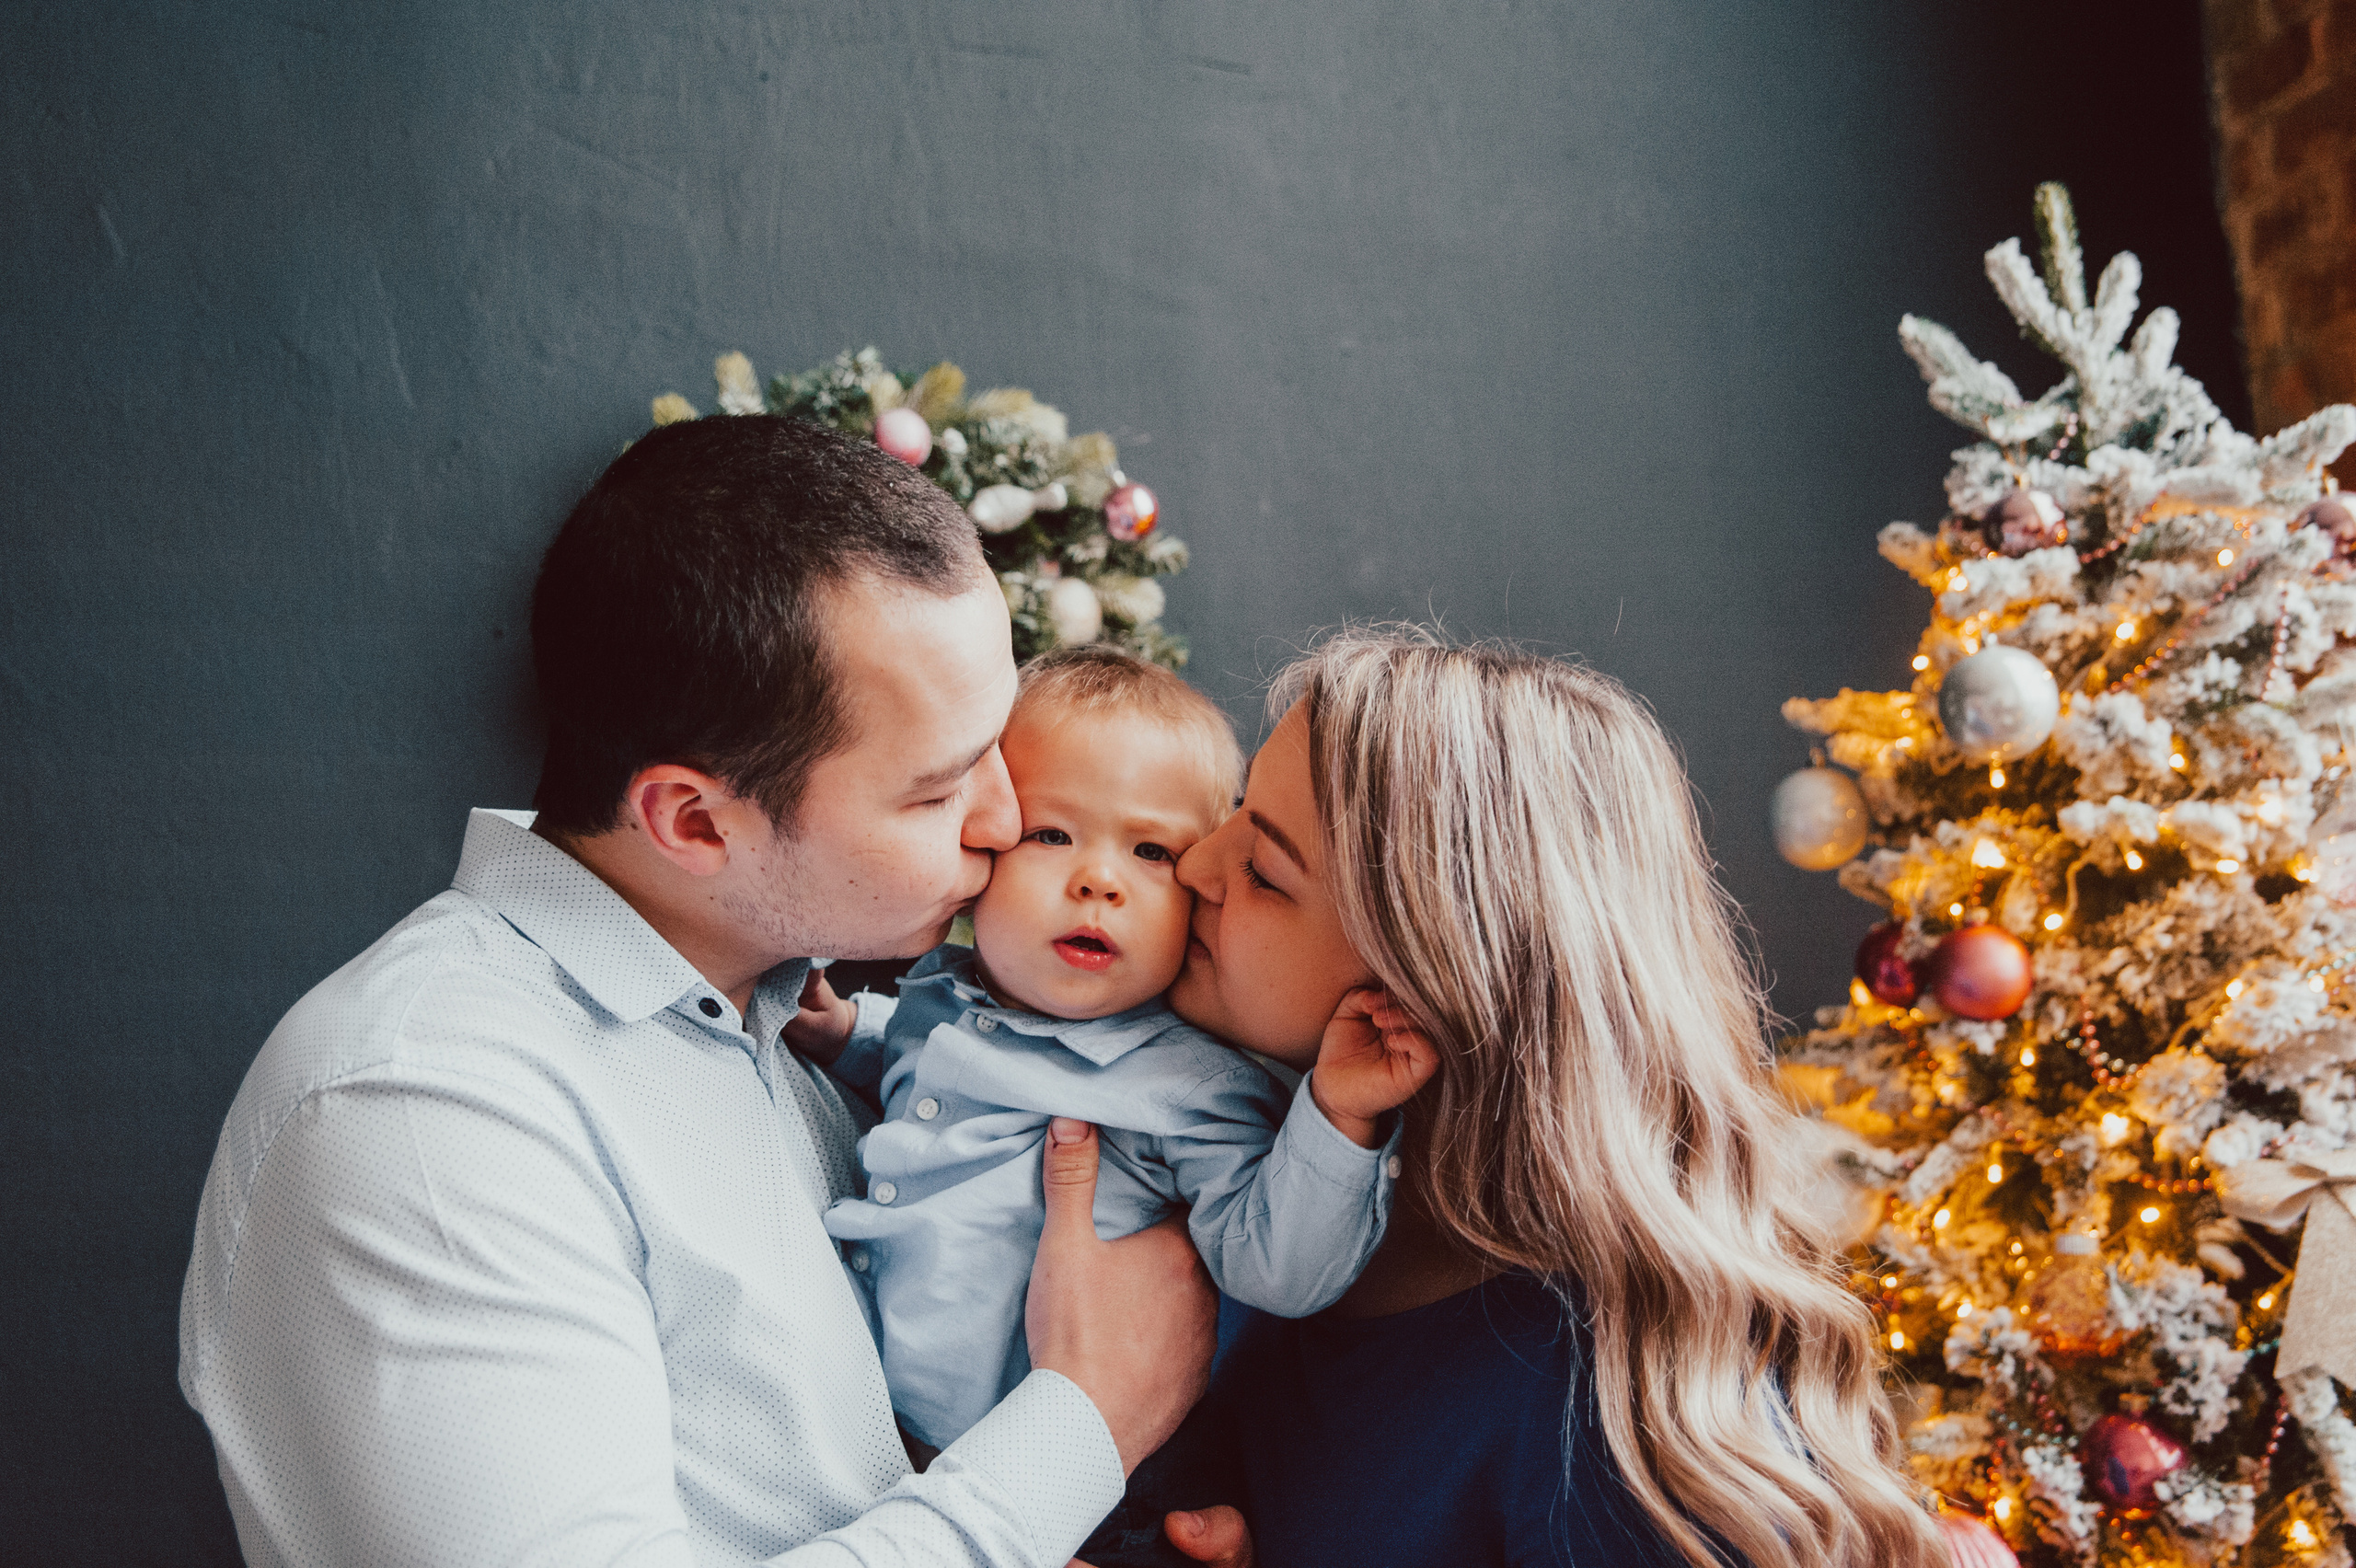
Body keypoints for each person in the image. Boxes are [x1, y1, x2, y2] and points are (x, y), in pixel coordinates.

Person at [177, 414, 1217, 1568]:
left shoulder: (794, 1025)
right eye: (934, 793)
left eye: (995, 748)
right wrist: (1083, 1424)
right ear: (692, 820)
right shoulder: (424, 1113)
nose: (1006, 819)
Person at [1152, 628, 1946, 1568]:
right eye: (1237, 811)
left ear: (1426, 978)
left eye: (1265, 872)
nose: (1195, 864)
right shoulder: (1234, 1204)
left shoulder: (1622, 1425)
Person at [785, 647, 1436, 1568]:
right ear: (982, 846)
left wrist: (1335, 1117)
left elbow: (1279, 1270)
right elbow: (923, 1053)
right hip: (901, 1465)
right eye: (1052, 836)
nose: (1099, 880)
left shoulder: (1187, 1087)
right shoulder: (943, 993)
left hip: (1092, 1495)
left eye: (1152, 851)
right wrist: (844, 1031)